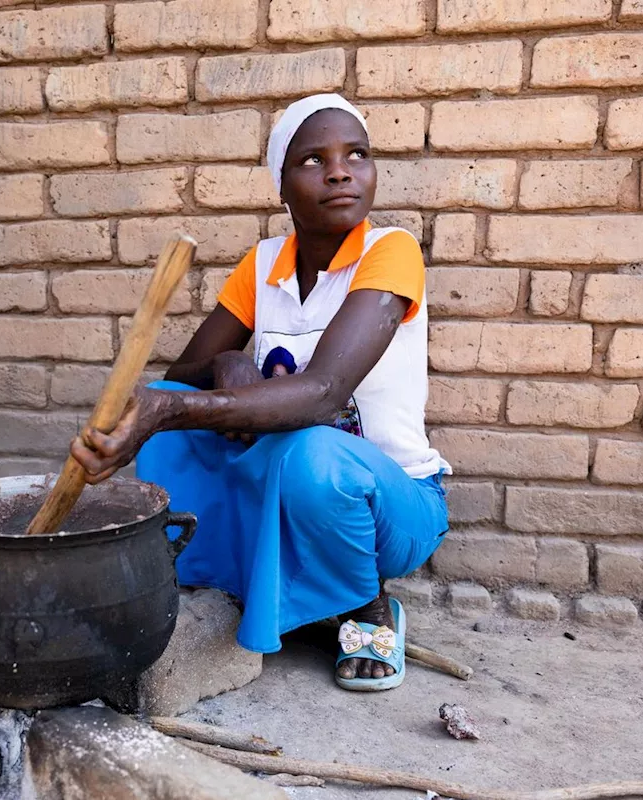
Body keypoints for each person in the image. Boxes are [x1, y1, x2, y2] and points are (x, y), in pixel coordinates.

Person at [70, 94, 450, 691]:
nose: (341, 171)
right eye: (312, 160)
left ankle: (368, 605)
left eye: (357, 154)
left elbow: (325, 393)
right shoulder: (263, 263)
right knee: (175, 423)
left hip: (393, 510)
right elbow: (184, 370)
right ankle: (224, 581)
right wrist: (228, 363)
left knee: (312, 452)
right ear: (281, 185)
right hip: (284, 492)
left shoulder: (390, 252)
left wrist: (176, 406)